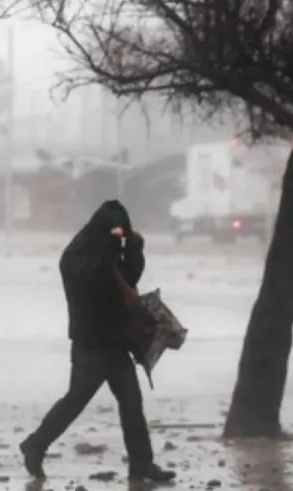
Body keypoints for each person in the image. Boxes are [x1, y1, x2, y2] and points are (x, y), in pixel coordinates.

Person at [19, 200, 176, 484]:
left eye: (121, 233)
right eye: (115, 232)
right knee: (75, 401)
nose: (117, 238)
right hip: (90, 344)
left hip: (115, 343)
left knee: (131, 404)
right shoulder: (78, 256)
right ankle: (35, 444)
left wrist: (133, 251)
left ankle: (142, 464)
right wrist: (115, 263)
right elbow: (96, 285)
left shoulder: (107, 254)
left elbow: (130, 279)